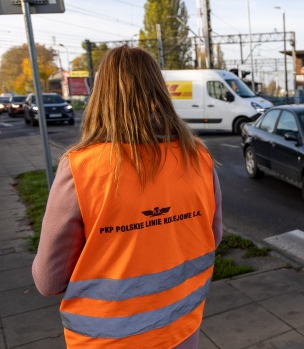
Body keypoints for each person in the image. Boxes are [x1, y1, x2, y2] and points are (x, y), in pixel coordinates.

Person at [32, 45, 222, 348]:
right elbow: (211, 237)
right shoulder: (198, 157)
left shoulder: (82, 168)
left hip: (106, 339)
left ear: (102, 96)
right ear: (160, 90)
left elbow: (48, 281)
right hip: (182, 328)